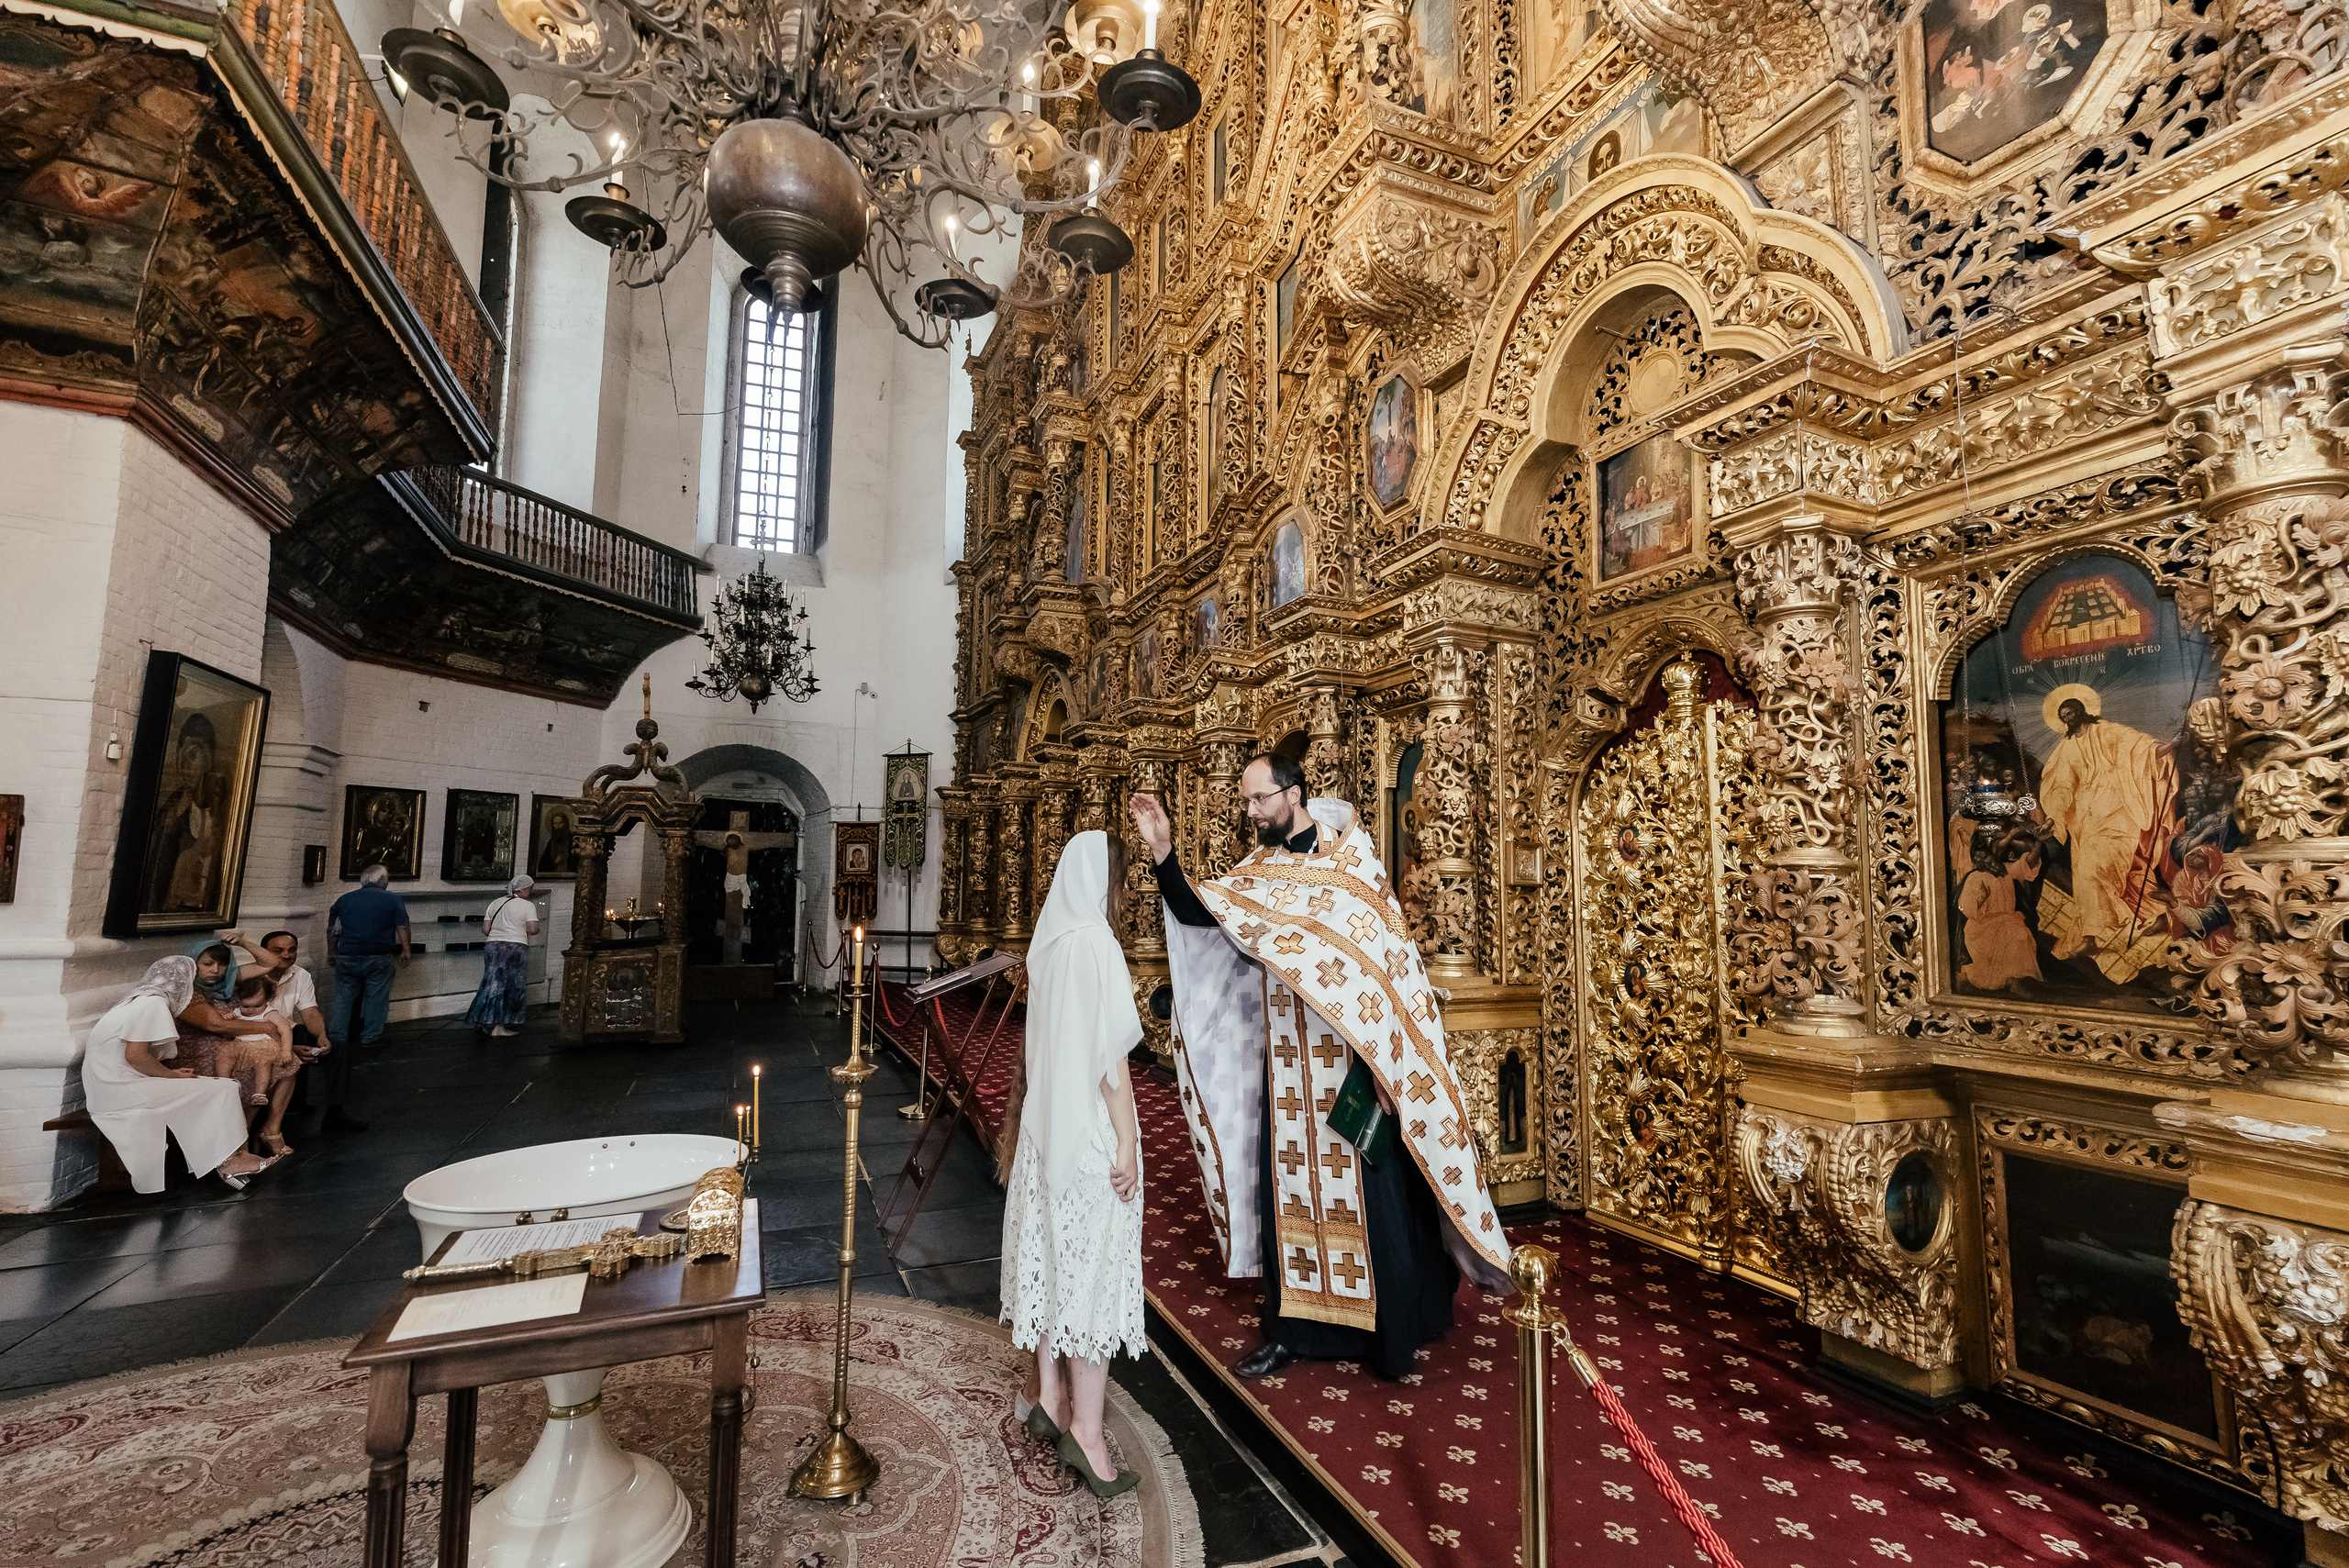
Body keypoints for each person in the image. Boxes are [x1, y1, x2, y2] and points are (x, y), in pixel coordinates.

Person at [1132, 754, 1508, 1382]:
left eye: (1259, 800)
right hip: (1287, 1071)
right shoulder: (1262, 870)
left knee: (1371, 1204)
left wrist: (1388, 1062)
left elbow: (1392, 974)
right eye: (1247, 801)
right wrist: (1165, 853)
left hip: (1350, 1069)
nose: (1251, 812)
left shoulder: (1353, 866)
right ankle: (1292, 1332)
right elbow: (1203, 912)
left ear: (1293, 792)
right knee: (1291, 1203)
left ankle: (1389, 1333)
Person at [997, 830, 1144, 1498]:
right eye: (1124, 878)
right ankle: (1086, 1428)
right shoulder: (1097, 943)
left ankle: (1050, 1399)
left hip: (1040, 1137)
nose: (1127, 891)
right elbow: (1111, 1063)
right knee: (1091, 1279)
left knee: (1054, 1266)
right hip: (1085, 1140)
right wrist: (1127, 1142)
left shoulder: (1049, 944)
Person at [84, 957, 273, 1193]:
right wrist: (171, 1077)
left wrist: (170, 1074)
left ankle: (230, 1159)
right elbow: (136, 1057)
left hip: (116, 1084)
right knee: (223, 1088)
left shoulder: (141, 1001)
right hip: (119, 1090)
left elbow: (134, 1057)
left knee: (218, 1086)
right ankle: (230, 1162)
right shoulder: (151, 1004)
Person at [2036, 684, 2176, 977]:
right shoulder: (2066, 748)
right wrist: (2055, 816)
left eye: (2071, 712)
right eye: (2063, 716)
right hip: (2087, 818)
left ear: (2082, 710)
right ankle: (2156, 915)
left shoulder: (2109, 732)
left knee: (2093, 869)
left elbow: (2142, 750)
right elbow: (2062, 787)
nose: (2068, 719)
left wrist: (2165, 749)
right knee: (2122, 872)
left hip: (2118, 809)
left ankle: (2092, 935)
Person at [324, 864, 411, 1132]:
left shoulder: (344, 900)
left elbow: (333, 929)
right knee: (376, 996)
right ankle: (370, 1036)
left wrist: (332, 952)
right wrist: (406, 950)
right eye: (388, 878)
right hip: (377, 955)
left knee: (343, 997)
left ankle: (337, 1036)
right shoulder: (391, 899)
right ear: (382, 879)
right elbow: (402, 925)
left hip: (348, 956)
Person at [466, 874, 540, 1038]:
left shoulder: (495, 903)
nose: (531, 891)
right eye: (529, 888)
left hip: (493, 946)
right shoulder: (527, 906)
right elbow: (533, 929)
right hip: (515, 947)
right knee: (510, 986)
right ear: (521, 890)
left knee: (491, 983)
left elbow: (486, 929)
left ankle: (481, 1019)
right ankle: (500, 1026)